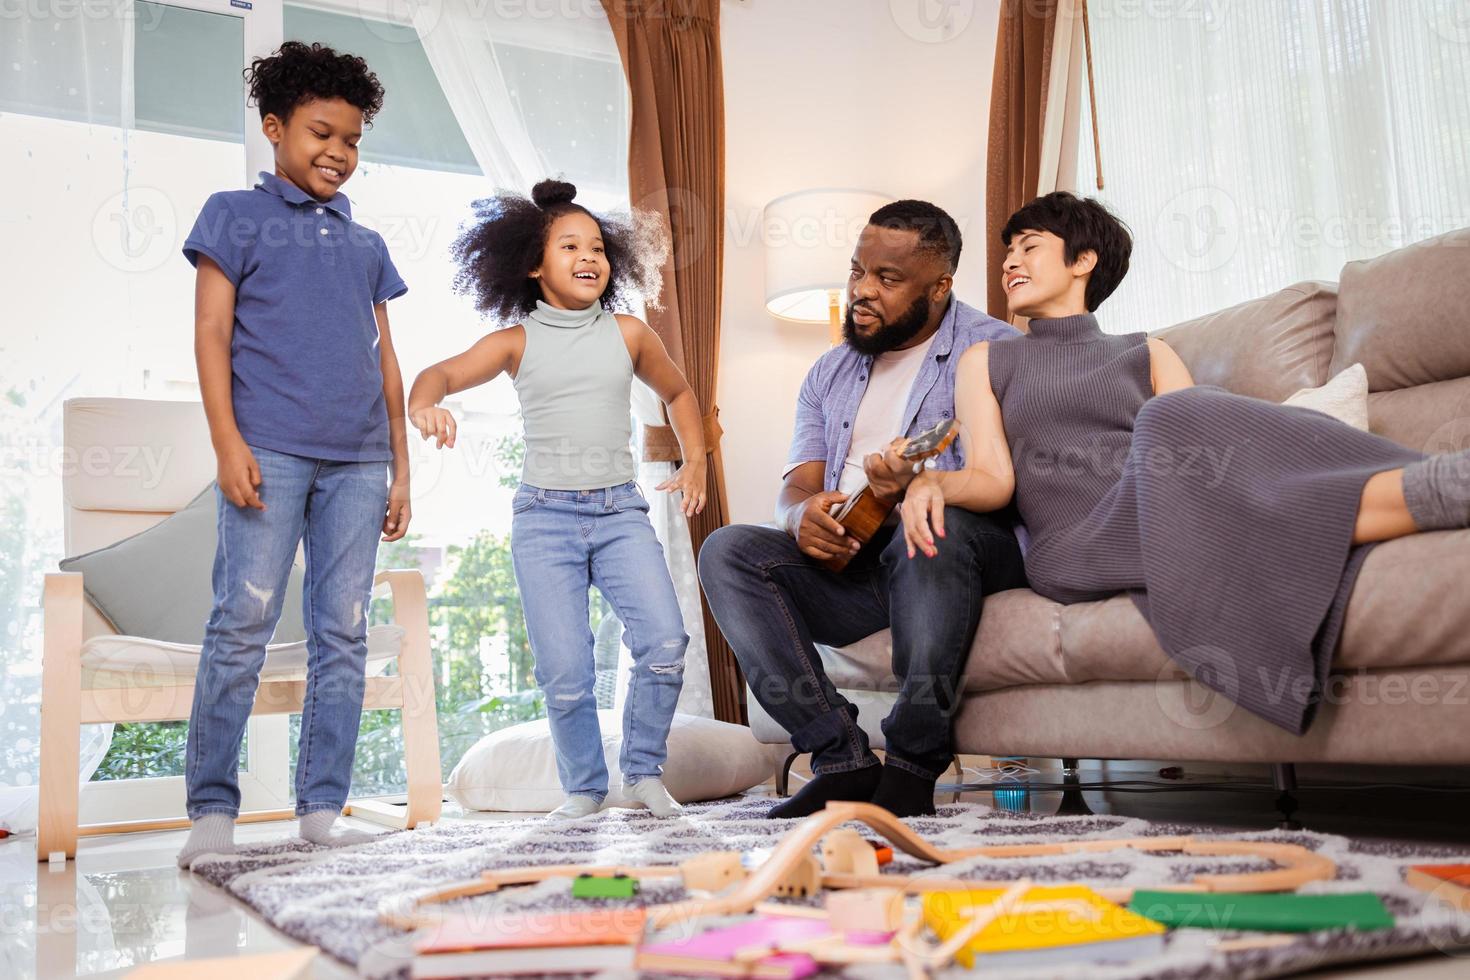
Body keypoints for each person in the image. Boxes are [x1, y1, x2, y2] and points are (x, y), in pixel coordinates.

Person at [892, 191, 1470, 735]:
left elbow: (1210, 462)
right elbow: (994, 480)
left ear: (1083, 260)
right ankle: (1435, 481)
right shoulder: (987, 360)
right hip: (1075, 544)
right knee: (1172, 419)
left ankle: (1434, 486)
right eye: (1008, 251)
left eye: (1029, 246)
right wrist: (931, 482)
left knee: (1184, 418)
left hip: (1173, 511)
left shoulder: (1147, 351)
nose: (1009, 263)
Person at [699, 200, 1026, 819]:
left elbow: (1013, 483)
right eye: (858, 272)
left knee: (928, 522)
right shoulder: (831, 370)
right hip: (860, 567)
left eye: (888, 278)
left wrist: (916, 485)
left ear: (939, 286)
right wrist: (801, 519)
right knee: (728, 551)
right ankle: (841, 758)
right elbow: (796, 487)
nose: (862, 292)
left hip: (960, 553)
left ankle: (911, 764)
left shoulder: (995, 351)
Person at [177, 42, 412, 868]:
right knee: (241, 623)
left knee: (342, 631)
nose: (338, 153)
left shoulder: (367, 242)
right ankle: (211, 810)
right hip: (268, 451)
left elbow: (385, 359)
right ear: (275, 128)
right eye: (321, 132)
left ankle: (320, 809)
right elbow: (210, 332)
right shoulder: (232, 216)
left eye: (351, 140)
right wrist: (227, 442)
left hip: (358, 463)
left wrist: (400, 468)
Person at [408, 179, 704, 820]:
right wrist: (424, 404)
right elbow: (441, 373)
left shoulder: (628, 333)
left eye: (597, 245)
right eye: (569, 245)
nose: (589, 256)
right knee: (565, 671)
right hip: (544, 519)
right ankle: (584, 791)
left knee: (664, 642)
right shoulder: (515, 341)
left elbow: (679, 394)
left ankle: (644, 774)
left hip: (620, 511)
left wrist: (698, 457)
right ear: (534, 265)